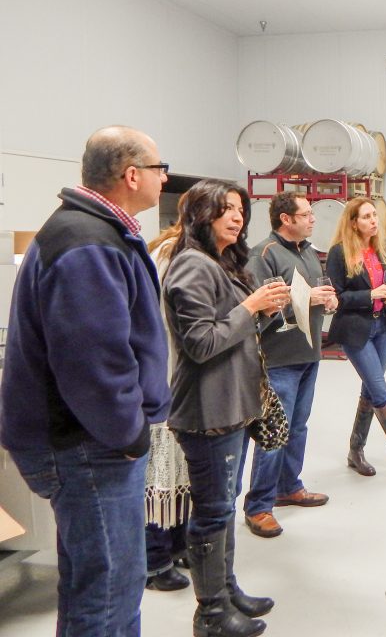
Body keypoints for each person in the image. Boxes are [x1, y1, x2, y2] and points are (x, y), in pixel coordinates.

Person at [0, 126, 170, 636]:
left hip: (87, 440)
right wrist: (128, 432)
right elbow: (93, 358)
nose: (164, 177)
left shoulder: (97, 232)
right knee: (111, 588)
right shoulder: (87, 241)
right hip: (88, 444)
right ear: (132, 174)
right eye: (159, 168)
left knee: (91, 581)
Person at [163, 179, 289, 637]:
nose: (237, 217)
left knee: (223, 506)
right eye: (226, 209)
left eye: (240, 209)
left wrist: (267, 308)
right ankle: (211, 613)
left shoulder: (221, 262)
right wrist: (251, 306)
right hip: (207, 412)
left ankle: (227, 590)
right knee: (212, 512)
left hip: (231, 406)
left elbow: (234, 330)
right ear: (202, 214)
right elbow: (200, 342)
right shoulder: (192, 266)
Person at [241, 191, 337, 538]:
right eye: (307, 214)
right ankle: (258, 506)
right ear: (286, 219)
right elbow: (262, 305)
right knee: (273, 433)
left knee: (297, 428)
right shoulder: (264, 254)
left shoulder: (309, 252)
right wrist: (308, 297)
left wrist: (327, 298)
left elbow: (316, 290)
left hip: (308, 353)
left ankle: (288, 487)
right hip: (279, 358)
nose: (313, 219)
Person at [326, 198, 386, 481]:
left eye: (374, 215)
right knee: (379, 390)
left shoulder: (382, 249)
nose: (374, 220)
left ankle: (355, 450)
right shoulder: (339, 254)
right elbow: (337, 298)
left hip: (383, 328)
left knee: (369, 390)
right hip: (356, 331)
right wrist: (370, 295)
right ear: (353, 222)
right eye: (366, 216)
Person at [143, 211, 192, 592]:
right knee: (160, 466)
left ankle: (177, 543)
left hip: (181, 375)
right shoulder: (170, 253)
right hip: (163, 372)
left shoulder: (186, 251)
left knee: (181, 464)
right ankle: (154, 558)